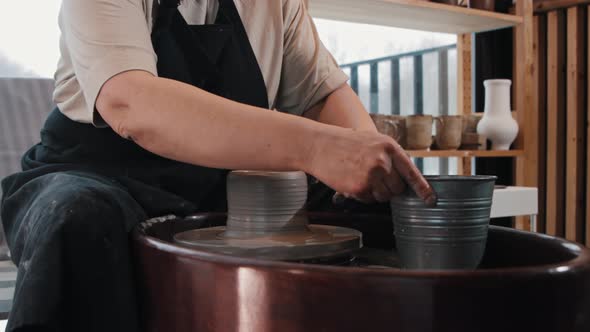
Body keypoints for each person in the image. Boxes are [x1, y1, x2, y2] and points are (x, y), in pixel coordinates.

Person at [0, 0, 435, 331]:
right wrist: (317, 149)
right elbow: (130, 103)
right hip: (98, 174)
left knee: (389, 212)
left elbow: (322, 97)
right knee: (79, 218)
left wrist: (369, 165)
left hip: (223, 182)